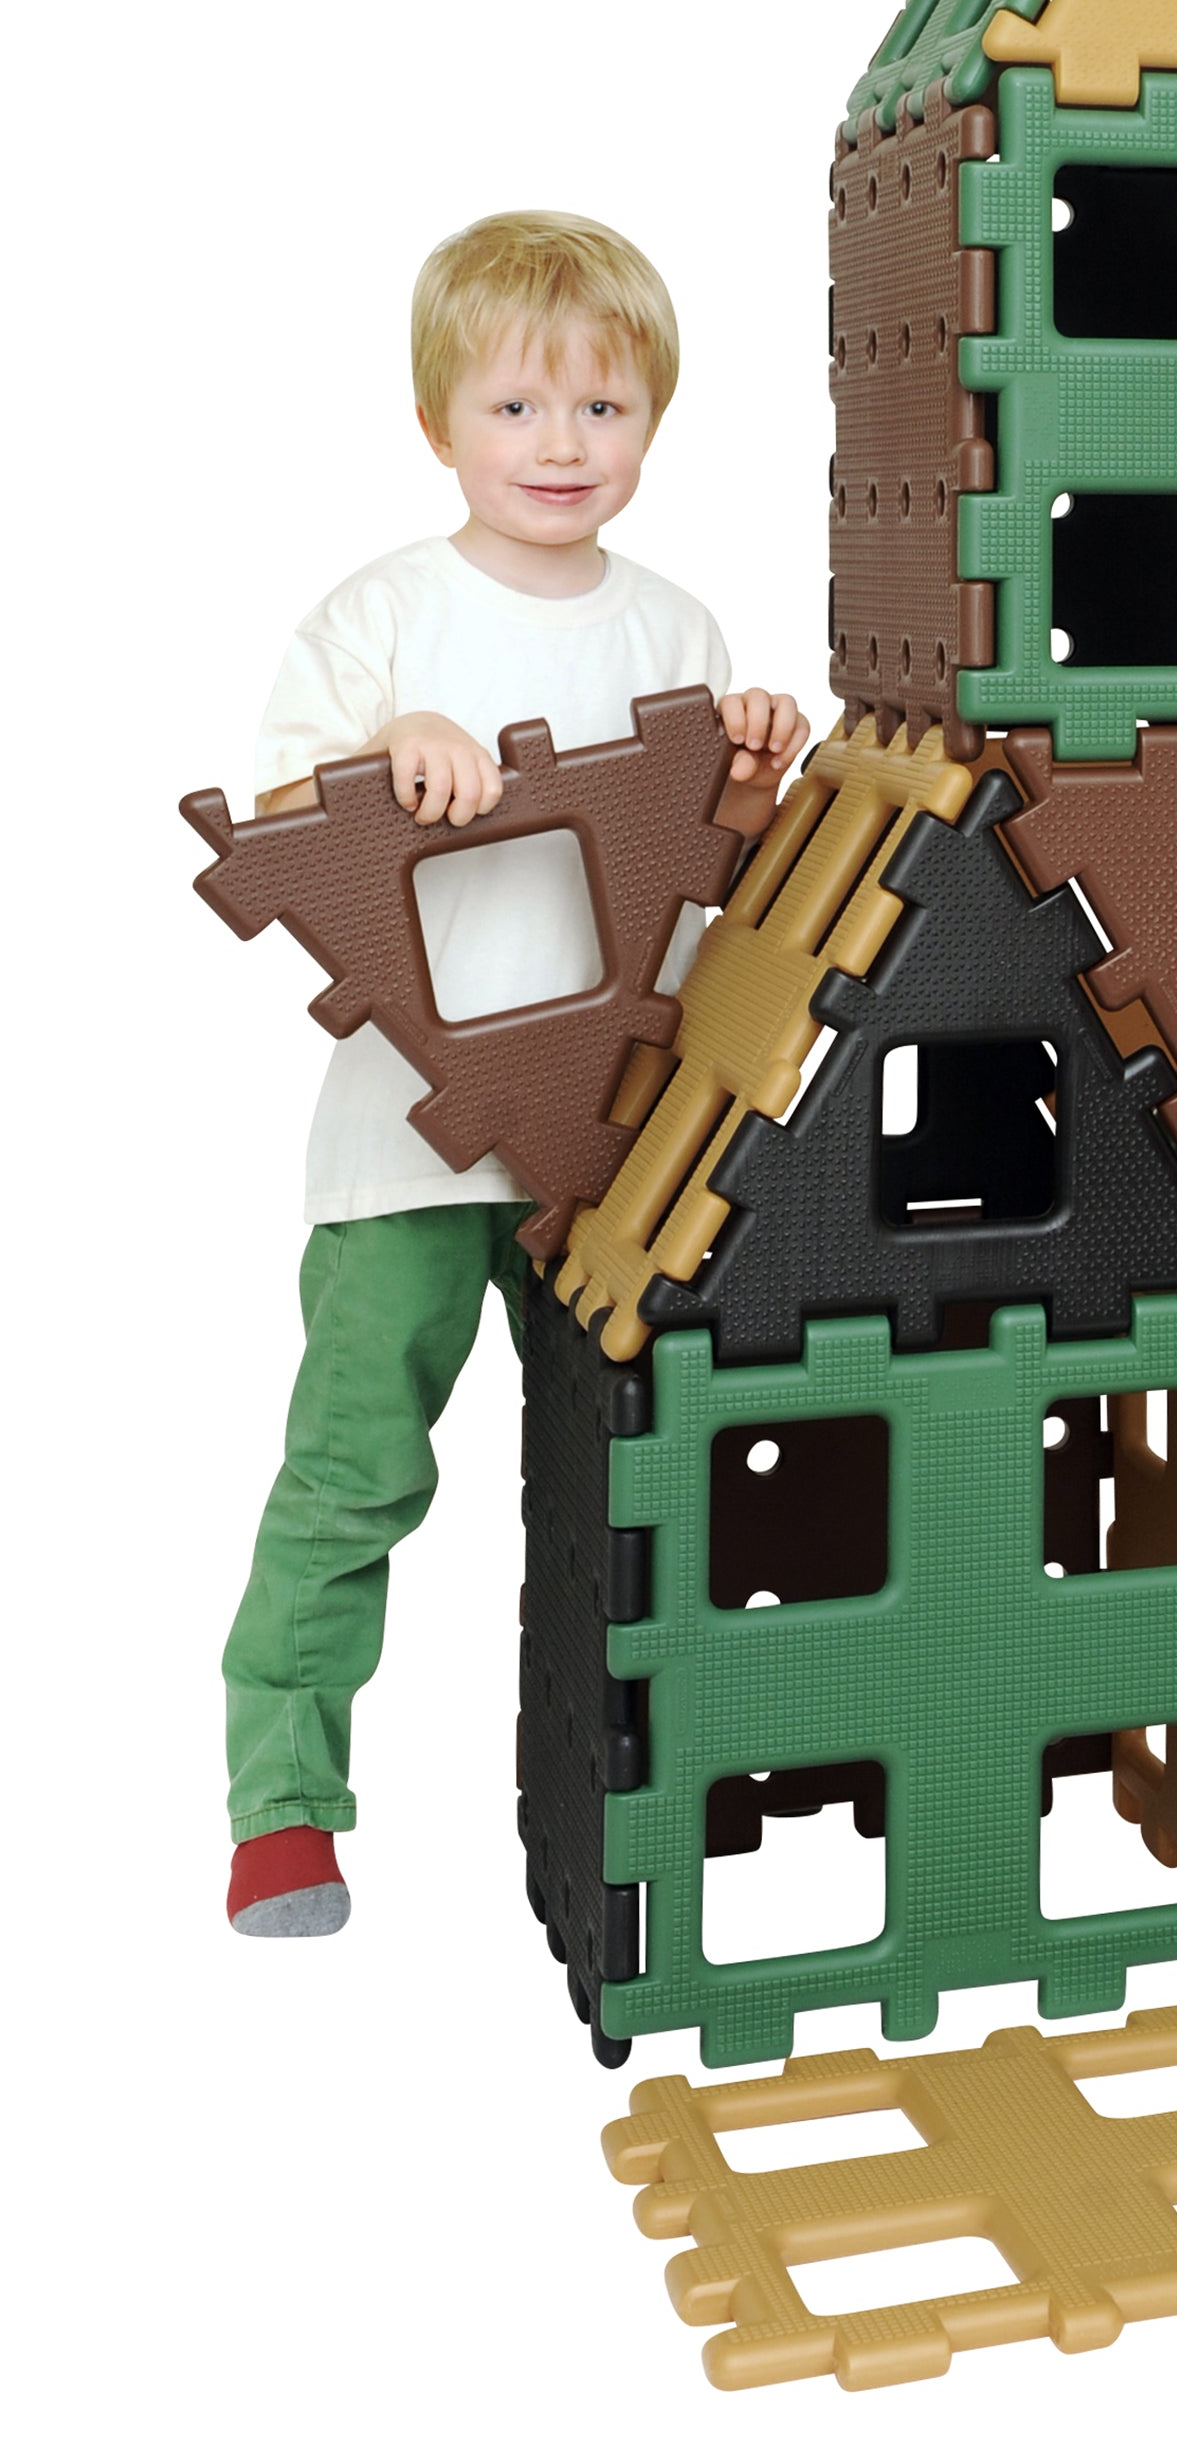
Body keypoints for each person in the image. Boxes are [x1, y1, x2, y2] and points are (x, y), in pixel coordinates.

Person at [222, 210, 811, 1939]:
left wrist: (758, 770)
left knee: (647, 1459)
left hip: (612, 1146)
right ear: (439, 424)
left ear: (654, 424)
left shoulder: (675, 625)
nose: (563, 447)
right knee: (354, 1470)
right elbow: (277, 826)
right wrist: (379, 748)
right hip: (407, 1152)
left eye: (605, 412)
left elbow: (722, 885)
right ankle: (281, 1799)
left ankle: (665, 1771)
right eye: (518, 410)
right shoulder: (382, 616)